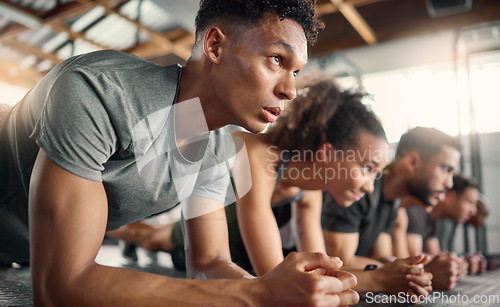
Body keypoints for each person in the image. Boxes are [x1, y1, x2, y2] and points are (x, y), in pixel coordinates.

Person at [0, 0, 361, 305]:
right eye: (277, 60)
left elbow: (209, 263)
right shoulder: (100, 91)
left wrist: (268, 289)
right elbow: (62, 285)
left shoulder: (216, 149)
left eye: (296, 72)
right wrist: (259, 294)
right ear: (215, 46)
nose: (291, 90)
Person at [109, 73, 433, 297]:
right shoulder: (261, 155)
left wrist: (388, 273)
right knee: (147, 237)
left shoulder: (311, 191)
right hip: (215, 220)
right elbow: (275, 274)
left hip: (233, 250)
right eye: (367, 168)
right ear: (327, 153)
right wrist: (375, 279)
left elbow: (315, 260)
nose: (369, 187)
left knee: (151, 238)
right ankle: (105, 229)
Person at [321, 127, 461, 293]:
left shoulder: (393, 203)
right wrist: (415, 271)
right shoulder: (359, 189)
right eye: (446, 169)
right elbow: (340, 263)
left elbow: (380, 257)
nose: (449, 184)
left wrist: (416, 270)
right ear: (413, 162)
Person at [405, 174, 479, 289]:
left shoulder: (435, 221)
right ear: (450, 197)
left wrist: (459, 263)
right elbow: (414, 261)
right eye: (470, 202)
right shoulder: (416, 212)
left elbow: (438, 259)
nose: (474, 211)